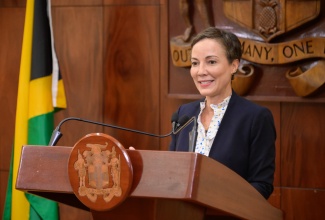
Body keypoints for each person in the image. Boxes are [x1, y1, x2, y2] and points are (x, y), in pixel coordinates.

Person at [169, 27, 276, 199]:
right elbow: (171, 174)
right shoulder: (184, 114)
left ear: (234, 65)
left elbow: (262, 185)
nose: (201, 71)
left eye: (211, 62)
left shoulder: (255, 118)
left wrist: (217, 199)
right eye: (195, 63)